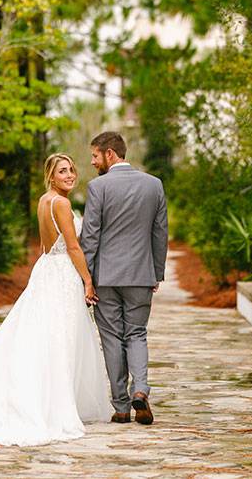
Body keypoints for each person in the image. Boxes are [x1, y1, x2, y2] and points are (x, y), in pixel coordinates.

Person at [0, 153, 111, 446]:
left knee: (41, 334)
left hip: (45, 269)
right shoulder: (63, 203)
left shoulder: (44, 202)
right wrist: (88, 280)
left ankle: (42, 396)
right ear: (51, 176)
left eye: (72, 169)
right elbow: (72, 247)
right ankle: (52, 406)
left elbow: (47, 244)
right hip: (63, 273)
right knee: (61, 338)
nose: (70, 175)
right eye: (62, 171)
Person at [81, 132, 168, 425]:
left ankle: (121, 407)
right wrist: (156, 271)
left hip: (105, 277)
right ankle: (140, 390)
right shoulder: (154, 185)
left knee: (111, 338)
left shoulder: (97, 188)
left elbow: (90, 236)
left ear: (110, 154)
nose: (93, 162)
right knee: (137, 333)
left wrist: (87, 278)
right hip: (140, 274)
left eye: (95, 155)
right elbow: (160, 233)